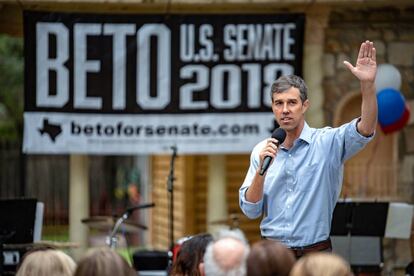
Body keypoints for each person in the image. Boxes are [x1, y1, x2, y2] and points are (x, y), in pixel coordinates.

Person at [239, 41, 378, 258]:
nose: (285, 110)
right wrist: (261, 171)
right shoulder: (262, 150)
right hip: (274, 255)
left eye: (292, 102)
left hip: (315, 254)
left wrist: (367, 86)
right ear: (273, 107)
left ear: (305, 106)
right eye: (279, 103)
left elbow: (366, 128)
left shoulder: (327, 142)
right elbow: (250, 210)